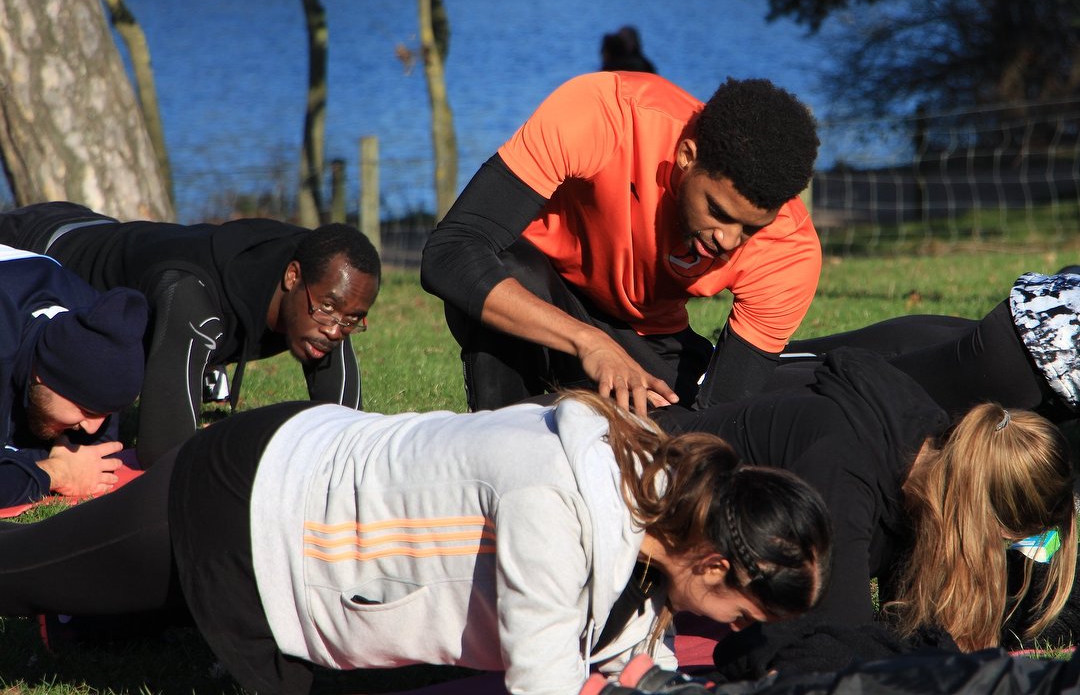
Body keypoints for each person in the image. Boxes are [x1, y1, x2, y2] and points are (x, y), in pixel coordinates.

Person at [0, 392, 833, 695]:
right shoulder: (554, 503)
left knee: (132, 613)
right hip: (255, 502)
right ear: (715, 562)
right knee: (31, 571)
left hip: (305, 521)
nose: (726, 628)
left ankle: (86, 629)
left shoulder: (662, 514)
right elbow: (546, 679)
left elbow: (623, 636)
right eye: (737, 611)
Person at [653, 347, 1077, 678]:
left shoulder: (928, 453)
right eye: (1011, 542)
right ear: (978, 515)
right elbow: (836, 650)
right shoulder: (842, 472)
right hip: (644, 532)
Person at [420, 74, 821, 417]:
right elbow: (451, 251)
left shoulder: (789, 249)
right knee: (505, 267)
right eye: (718, 210)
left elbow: (720, 419)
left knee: (684, 423)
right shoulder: (605, 114)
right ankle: (495, 444)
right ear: (686, 156)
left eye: (750, 229)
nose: (728, 240)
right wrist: (588, 342)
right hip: (544, 285)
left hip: (645, 337)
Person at [0, 201, 381, 465]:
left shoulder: (323, 292)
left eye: (352, 319)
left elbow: (351, 432)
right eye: (328, 309)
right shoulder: (190, 293)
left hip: (102, 229)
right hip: (38, 247)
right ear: (292, 277)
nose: (334, 329)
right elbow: (165, 452)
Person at [776, 269, 1080, 423]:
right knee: (860, 392)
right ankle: (740, 392)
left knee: (897, 362)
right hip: (1040, 356)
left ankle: (764, 359)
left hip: (1043, 312)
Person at [0, 245, 148, 508]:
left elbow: (92, 454)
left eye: (105, 412)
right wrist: (54, 473)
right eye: (87, 411)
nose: (93, 427)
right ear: (44, 377)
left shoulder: (96, 326)